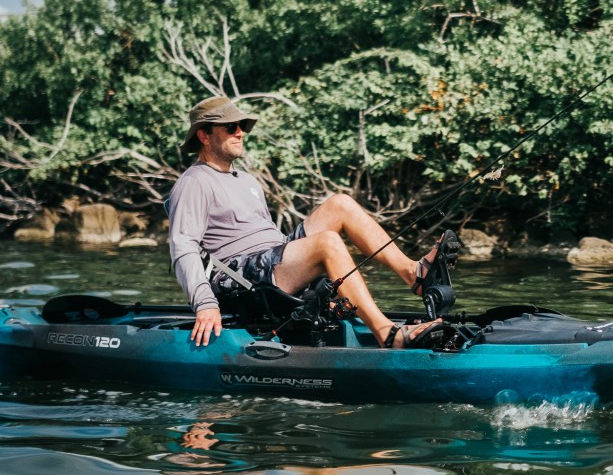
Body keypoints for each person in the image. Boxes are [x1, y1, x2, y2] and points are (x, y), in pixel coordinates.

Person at [168, 96, 458, 350]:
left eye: (241, 126)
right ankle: (387, 333)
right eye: (231, 127)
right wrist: (205, 303)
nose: (240, 133)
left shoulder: (246, 180)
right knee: (327, 243)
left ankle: (414, 274)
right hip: (240, 278)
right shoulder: (194, 183)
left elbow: (267, 241)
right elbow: (183, 247)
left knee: (340, 204)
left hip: (271, 259)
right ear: (204, 136)